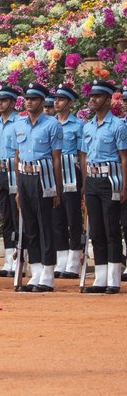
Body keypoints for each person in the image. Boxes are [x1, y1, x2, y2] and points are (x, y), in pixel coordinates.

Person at [13, 82, 63, 292]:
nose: (29, 101)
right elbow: (16, 156)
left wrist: (57, 190)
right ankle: (36, 272)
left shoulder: (52, 124)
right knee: (30, 226)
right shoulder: (19, 124)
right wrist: (17, 187)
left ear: (42, 101)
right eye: (27, 98)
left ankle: (48, 274)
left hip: (44, 177)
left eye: (34, 98)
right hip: (25, 176)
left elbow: (56, 159)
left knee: (45, 225)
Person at [80, 79, 127, 294]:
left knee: (111, 229)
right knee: (96, 229)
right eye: (91, 96)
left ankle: (113, 278)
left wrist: (124, 186)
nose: (92, 99)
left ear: (108, 100)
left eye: (97, 96)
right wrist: (84, 183)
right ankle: (100, 277)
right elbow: (83, 156)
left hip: (111, 180)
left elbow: (124, 158)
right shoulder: (87, 126)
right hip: (92, 179)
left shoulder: (118, 125)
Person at [52, 83, 86, 279]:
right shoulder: (49, 122)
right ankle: (61, 257)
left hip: (71, 172)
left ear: (70, 103)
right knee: (57, 217)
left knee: (73, 216)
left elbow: (82, 154)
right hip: (53, 173)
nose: (57, 102)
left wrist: (84, 181)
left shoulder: (77, 125)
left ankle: (74, 258)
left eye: (61, 99)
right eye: (56, 99)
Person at [0, 85, 22, 277]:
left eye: (4, 100)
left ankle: (20, 257)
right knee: (5, 216)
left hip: (14, 171)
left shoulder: (19, 122)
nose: (0, 103)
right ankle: (9, 258)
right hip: (0, 171)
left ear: (12, 102)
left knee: (17, 213)